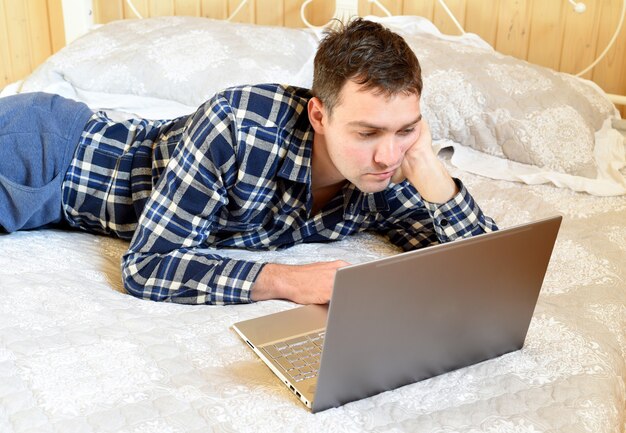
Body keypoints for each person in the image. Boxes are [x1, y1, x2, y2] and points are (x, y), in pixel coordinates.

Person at [0, 18, 497, 305]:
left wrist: (437, 182)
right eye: (367, 132)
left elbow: (487, 275)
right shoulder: (237, 126)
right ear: (319, 115)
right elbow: (147, 267)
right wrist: (283, 279)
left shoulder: (387, 169)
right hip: (45, 149)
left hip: (59, 201)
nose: (389, 154)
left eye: (405, 129)